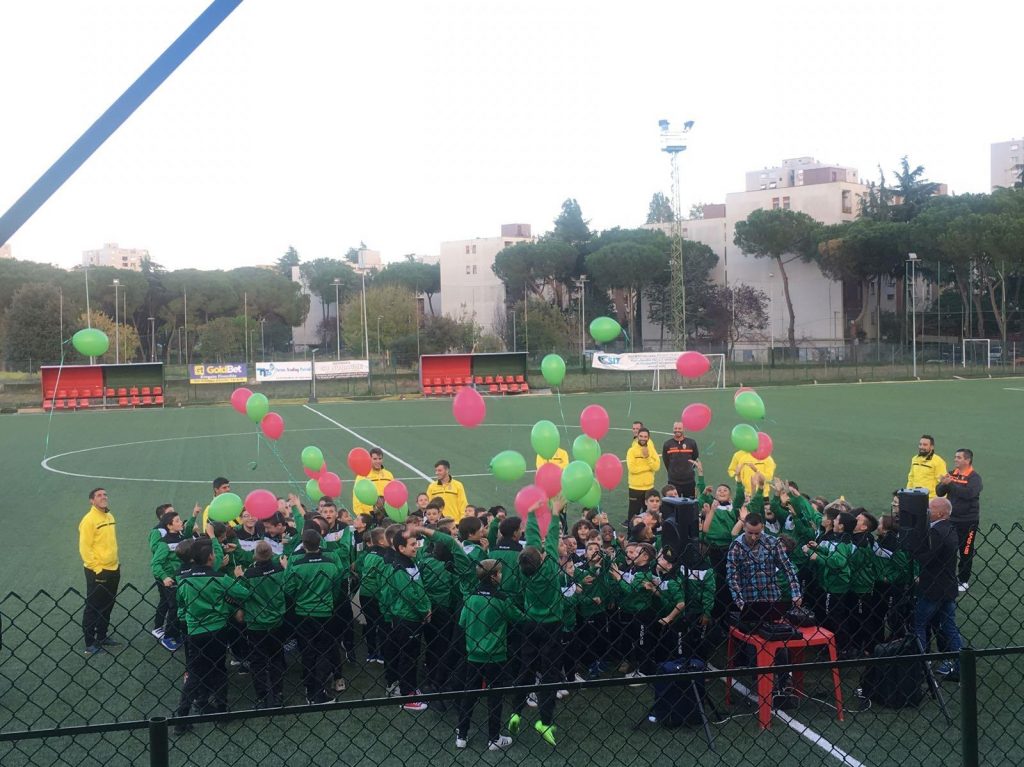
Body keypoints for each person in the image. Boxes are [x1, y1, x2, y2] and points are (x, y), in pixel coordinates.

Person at [456, 559, 525, 751]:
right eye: (500, 573)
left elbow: (462, 623)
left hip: (473, 655)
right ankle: (494, 737)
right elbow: (518, 618)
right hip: (496, 656)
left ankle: (462, 734)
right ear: (494, 576)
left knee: (469, 694)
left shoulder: (471, 597)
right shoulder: (501, 599)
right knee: (495, 696)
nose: (502, 576)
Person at [905, 497, 964, 681]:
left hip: (932, 588)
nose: (927, 512)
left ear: (940, 513)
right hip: (947, 587)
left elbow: (926, 558)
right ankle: (960, 666)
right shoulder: (951, 529)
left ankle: (921, 665)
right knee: (950, 627)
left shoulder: (937, 532)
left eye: (930, 509)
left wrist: (912, 548)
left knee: (919, 625)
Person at [79, 487, 120, 656]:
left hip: (114, 568)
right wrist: (97, 569)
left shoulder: (109, 516)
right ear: (92, 500)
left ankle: (102, 636)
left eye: (105, 494)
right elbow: (84, 548)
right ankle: (90, 643)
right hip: (98, 571)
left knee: (108, 604)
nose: (103, 497)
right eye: (99, 495)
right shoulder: (88, 520)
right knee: (93, 607)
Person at [936, 448, 983, 591]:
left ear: (967, 460)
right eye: (955, 457)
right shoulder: (951, 474)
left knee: (966, 551)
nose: (955, 459)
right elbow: (939, 492)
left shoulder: (974, 478)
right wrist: (943, 484)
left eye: (959, 457)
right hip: (951, 520)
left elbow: (968, 494)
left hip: (969, 522)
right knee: (948, 549)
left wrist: (950, 484)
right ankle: (947, 577)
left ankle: (963, 580)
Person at [626, 427, 661, 524]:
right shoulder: (631, 451)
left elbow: (657, 466)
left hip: (649, 488)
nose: (643, 438)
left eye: (645, 436)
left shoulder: (651, 450)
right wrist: (648, 467)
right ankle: (631, 536)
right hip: (635, 488)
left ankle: (649, 536)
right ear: (637, 436)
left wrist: (647, 457)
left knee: (650, 515)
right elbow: (632, 469)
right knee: (633, 515)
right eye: (641, 436)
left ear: (648, 438)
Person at [353, 448, 395, 515]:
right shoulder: (362, 475)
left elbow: (394, 494)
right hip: (369, 515)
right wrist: (360, 514)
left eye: (380, 458)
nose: (378, 461)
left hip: (387, 513)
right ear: (370, 459)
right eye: (375, 459)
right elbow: (356, 497)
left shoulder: (389, 475)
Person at [662, 422, 699, 498]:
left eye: (679, 428)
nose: (677, 430)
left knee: (689, 504)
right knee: (673, 504)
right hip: (673, 481)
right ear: (673, 429)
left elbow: (695, 457)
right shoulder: (667, 444)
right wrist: (672, 471)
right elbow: (666, 460)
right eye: (675, 428)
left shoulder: (691, 443)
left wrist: (689, 469)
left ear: (683, 429)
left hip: (689, 481)